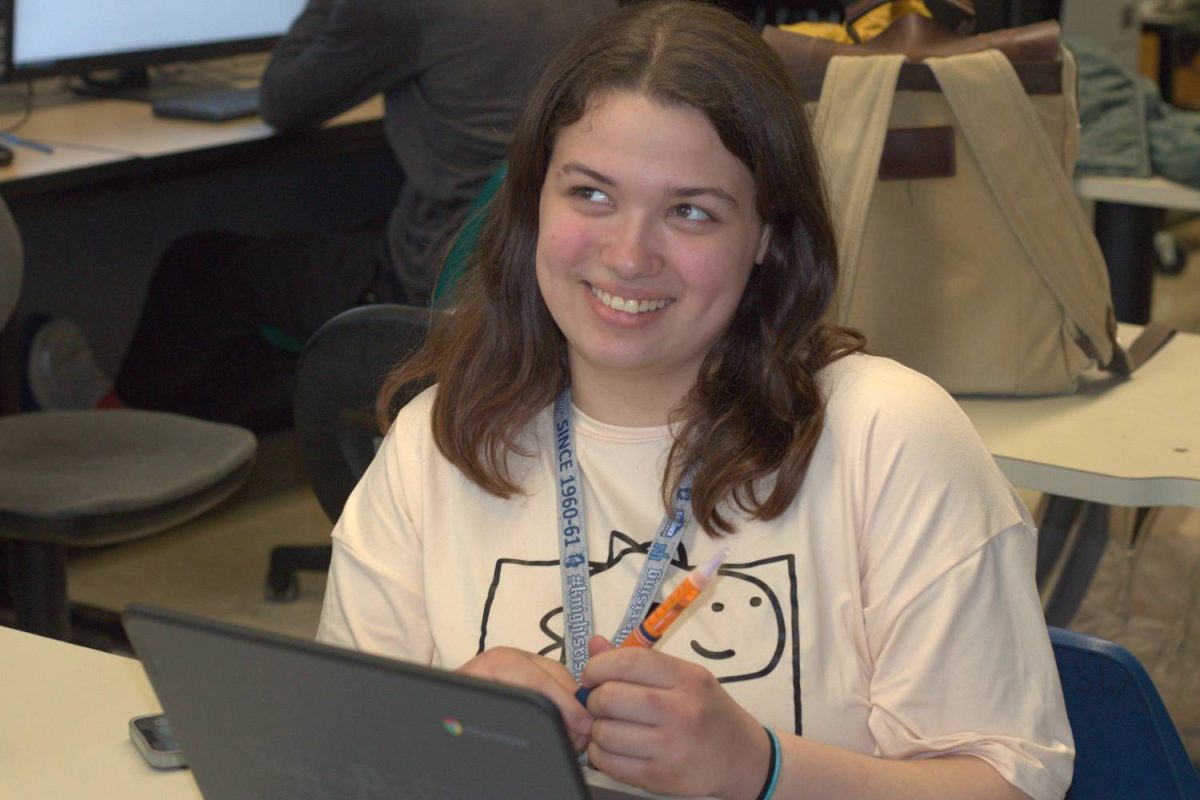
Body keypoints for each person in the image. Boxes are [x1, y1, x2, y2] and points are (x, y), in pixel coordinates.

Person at [316, 2, 1075, 798]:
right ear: (534, 202)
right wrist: (447, 727)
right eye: (592, 194)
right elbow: (335, 767)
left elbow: (1009, 784)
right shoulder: (437, 442)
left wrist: (761, 769)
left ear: (767, 238)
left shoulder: (888, 437)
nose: (628, 254)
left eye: (690, 211)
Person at [102, 0, 615, 431]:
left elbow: (282, 100)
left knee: (193, 265)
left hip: (433, 280)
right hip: (529, 266)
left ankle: (112, 440)